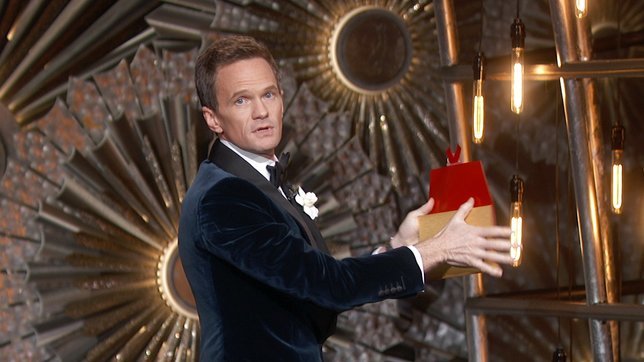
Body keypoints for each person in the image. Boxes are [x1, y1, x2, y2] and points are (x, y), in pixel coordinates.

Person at [178, 34, 513, 361]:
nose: (261, 111)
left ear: (282, 97)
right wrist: (431, 252)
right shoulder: (224, 197)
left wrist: (396, 247)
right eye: (241, 100)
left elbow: (312, 281)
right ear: (213, 119)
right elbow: (328, 285)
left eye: (268, 95)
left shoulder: (248, 180)